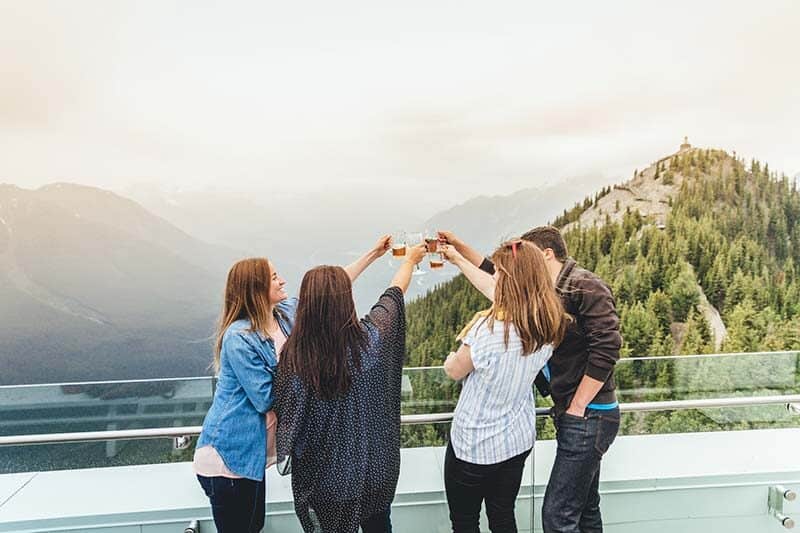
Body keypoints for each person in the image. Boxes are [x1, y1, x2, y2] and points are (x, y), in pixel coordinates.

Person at [193, 236, 393, 533]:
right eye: (274, 277)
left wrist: (374, 254)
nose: (282, 280)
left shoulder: (283, 314)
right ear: (256, 288)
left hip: (250, 457)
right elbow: (265, 398)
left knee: (253, 525)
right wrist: (319, 382)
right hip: (228, 457)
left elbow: (329, 290)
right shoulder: (239, 338)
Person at [441, 227, 622, 533]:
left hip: (588, 415)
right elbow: (498, 278)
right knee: (585, 507)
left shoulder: (584, 286)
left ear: (545, 255)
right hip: (563, 419)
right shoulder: (545, 309)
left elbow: (607, 348)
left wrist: (577, 405)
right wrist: (459, 252)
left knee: (557, 516)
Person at [274, 239, 426, 533]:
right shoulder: (370, 341)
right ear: (347, 301)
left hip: (323, 480)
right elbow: (393, 296)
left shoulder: (294, 357)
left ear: (305, 304)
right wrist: (409, 260)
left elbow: (287, 411)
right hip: (372, 471)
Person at [440, 240, 568, 533]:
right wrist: (458, 259)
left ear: (511, 281)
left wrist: (451, 356)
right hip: (516, 442)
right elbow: (499, 294)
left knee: (464, 521)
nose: (494, 276)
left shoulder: (488, 332)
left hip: (474, 446)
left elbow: (454, 371)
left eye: (498, 272)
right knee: (502, 516)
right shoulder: (548, 320)